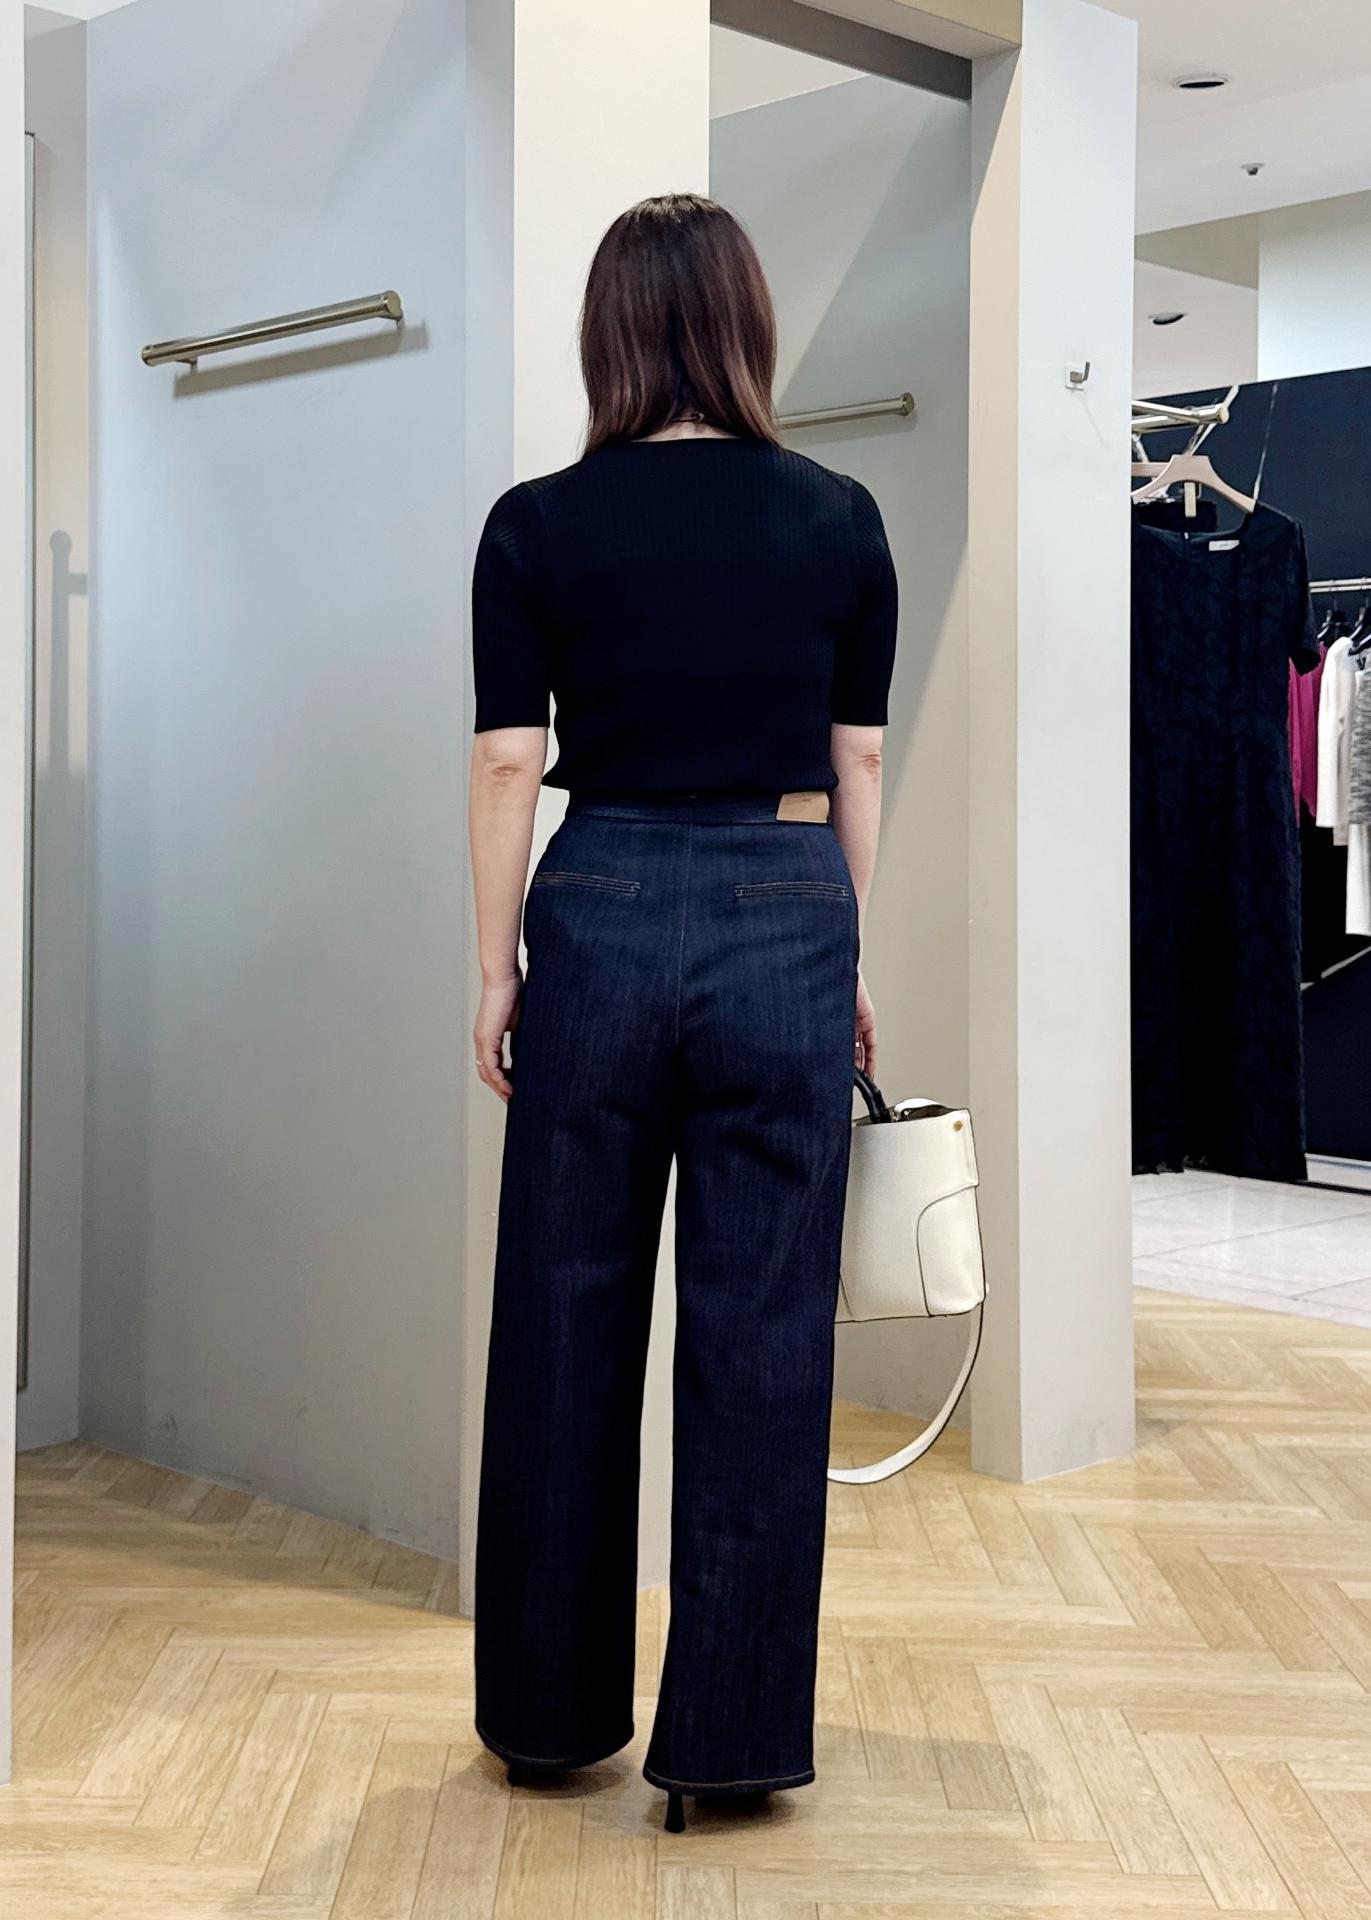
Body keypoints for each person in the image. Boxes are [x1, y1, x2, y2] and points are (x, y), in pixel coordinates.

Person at [467, 191, 897, 1833]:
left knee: (563, 1316)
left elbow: (509, 761)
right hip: (787, 904)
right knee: (764, 1337)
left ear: (609, 337)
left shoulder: (536, 525)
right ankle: (727, 1748)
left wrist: (497, 966)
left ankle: (547, 1722)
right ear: (748, 326)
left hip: (603, 899)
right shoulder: (840, 518)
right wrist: (843, 953)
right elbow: (856, 760)